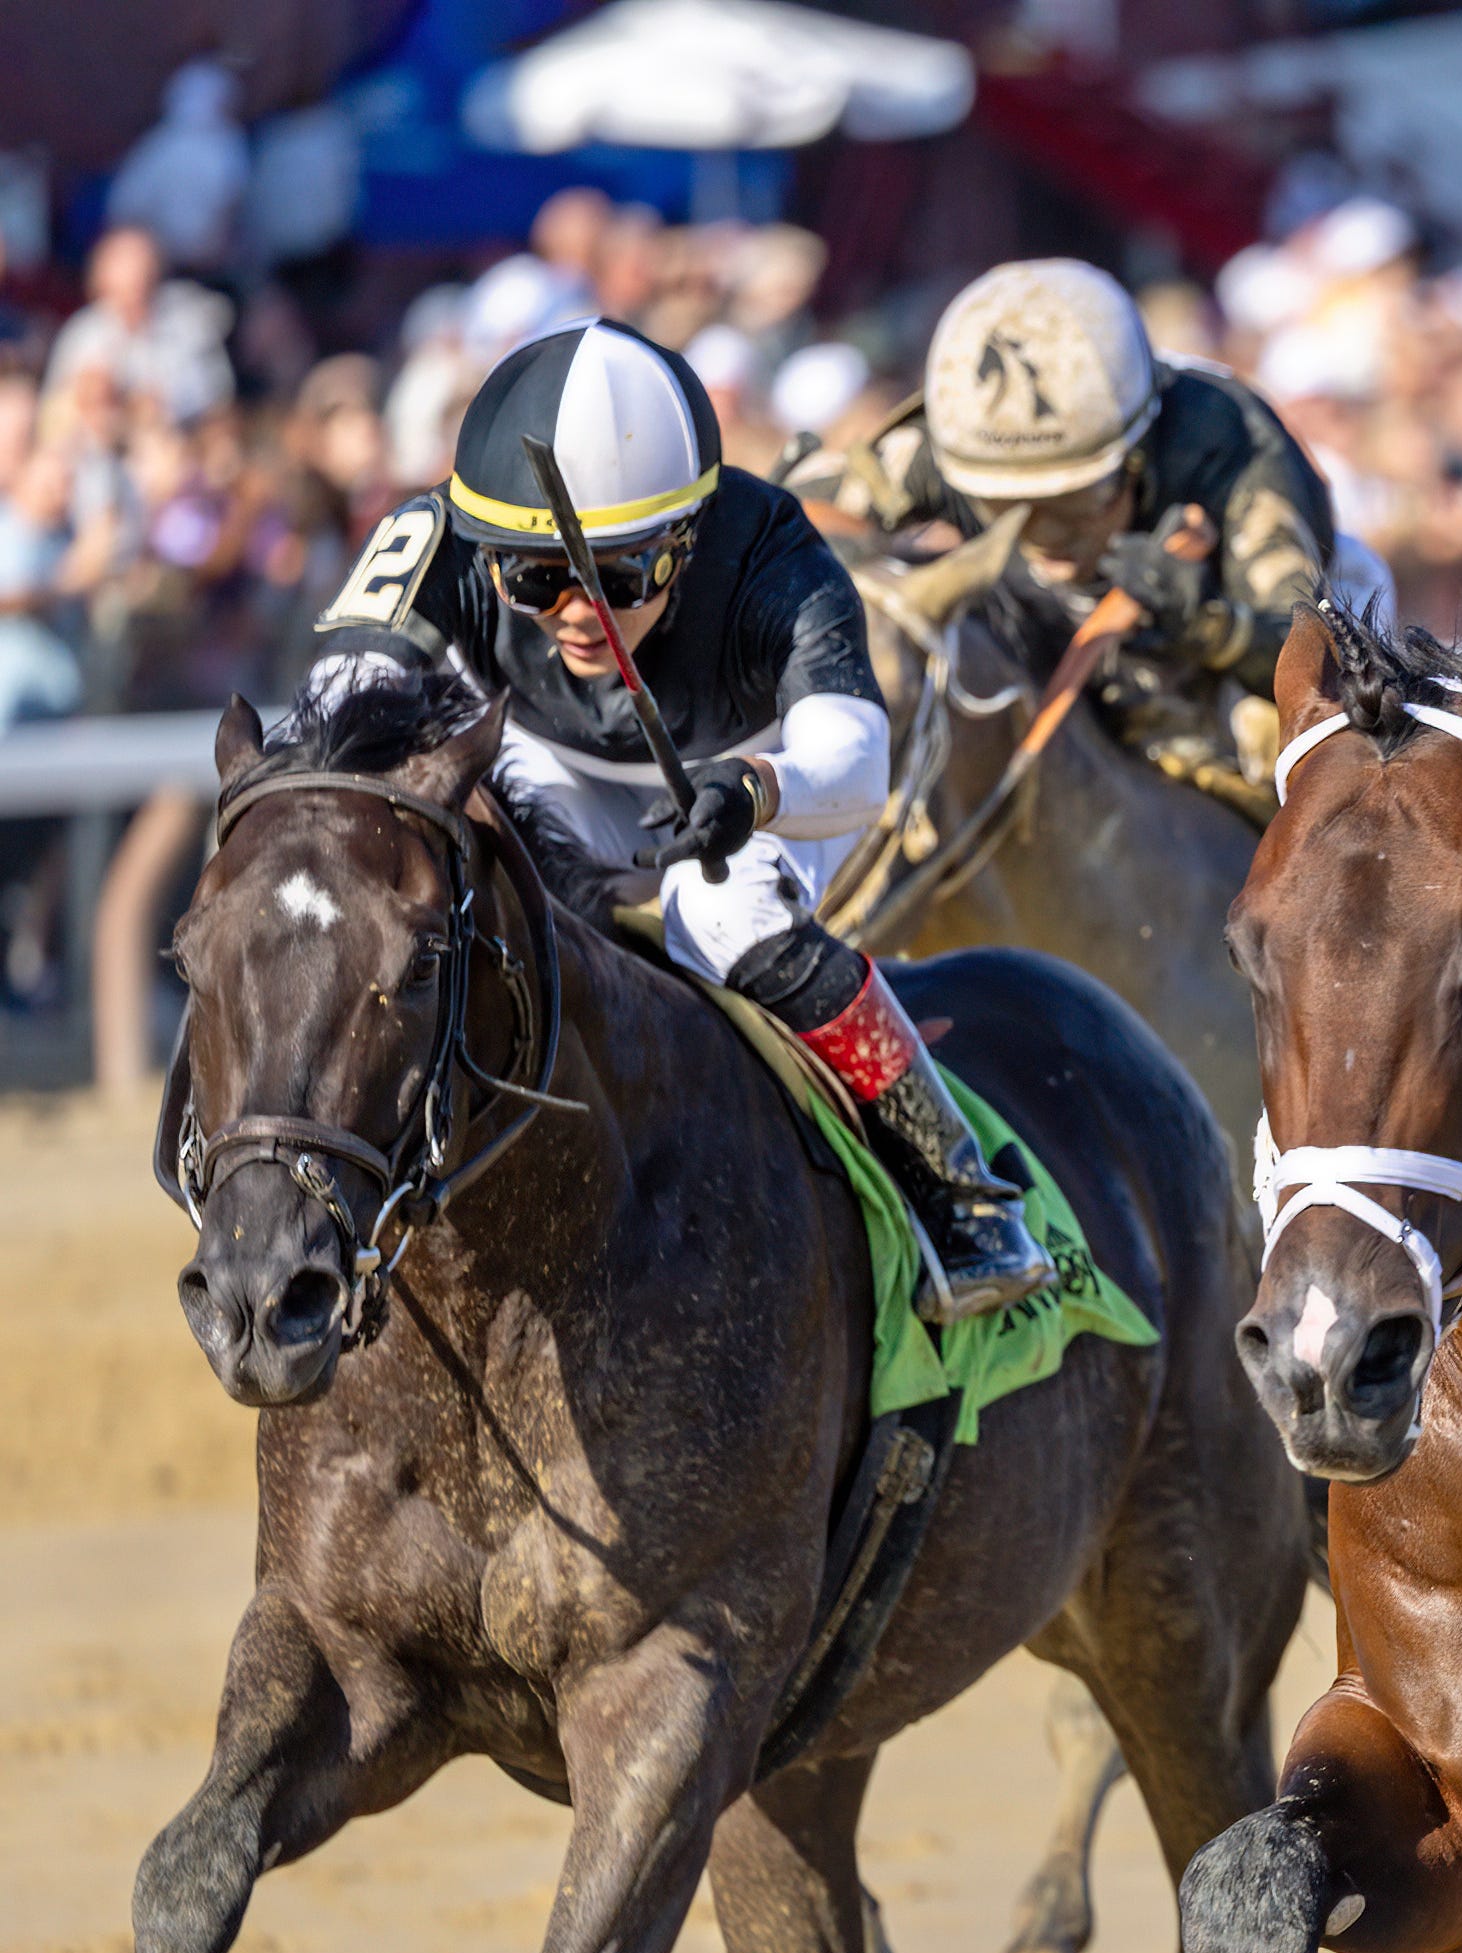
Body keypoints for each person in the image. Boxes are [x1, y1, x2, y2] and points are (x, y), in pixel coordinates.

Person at [304, 317, 1053, 1321]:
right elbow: (338, 696)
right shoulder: (437, 531)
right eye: (534, 578)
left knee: (727, 912)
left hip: (758, 771)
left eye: (619, 577)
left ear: (688, 542)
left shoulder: (775, 555)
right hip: (539, 759)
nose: (578, 612)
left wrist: (754, 789)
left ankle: (956, 1186)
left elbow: (856, 760)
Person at [836, 258, 1381, 805]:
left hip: (1286, 628)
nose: (1043, 534)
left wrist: (1210, 624)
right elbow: (800, 520)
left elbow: (1311, 654)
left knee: (1282, 734)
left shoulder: (1234, 446)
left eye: (1071, 501)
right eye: (1002, 506)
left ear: (1137, 458)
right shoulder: (945, 443)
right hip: (1057, 641)